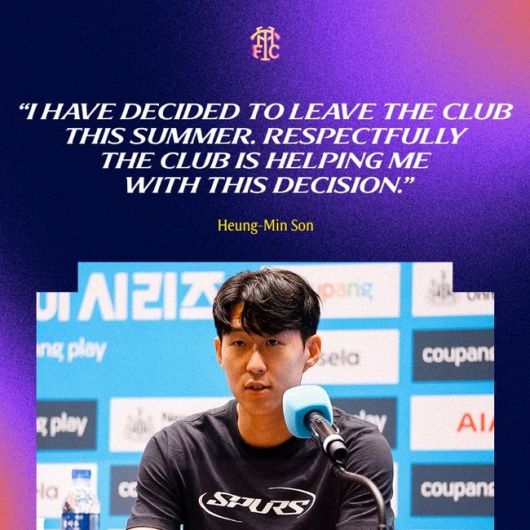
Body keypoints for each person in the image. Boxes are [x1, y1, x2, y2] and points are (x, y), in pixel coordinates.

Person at [126, 268, 395, 529]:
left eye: (272, 343)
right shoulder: (177, 448)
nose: (255, 365)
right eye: (239, 343)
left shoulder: (351, 451)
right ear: (220, 351)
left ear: (311, 351)